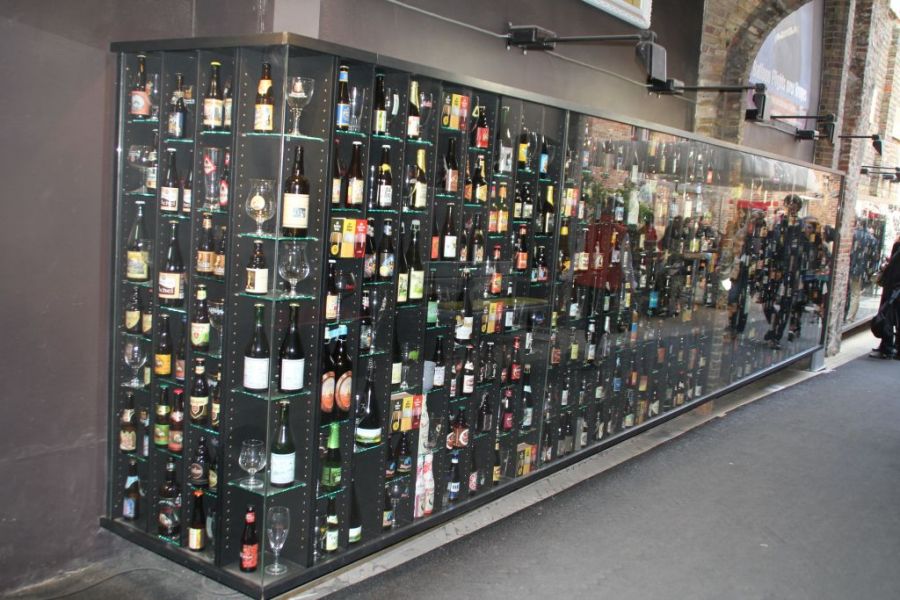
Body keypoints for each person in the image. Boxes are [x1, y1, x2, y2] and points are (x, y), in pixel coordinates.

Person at [870, 237, 900, 358]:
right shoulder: (897, 245)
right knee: (889, 317)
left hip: (894, 289)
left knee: (888, 317)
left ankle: (888, 348)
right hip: (893, 288)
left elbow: (894, 270)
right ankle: (888, 347)